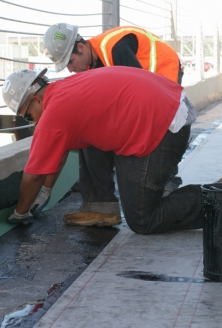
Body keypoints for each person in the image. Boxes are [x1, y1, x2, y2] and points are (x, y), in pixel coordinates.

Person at [1, 66, 222, 232]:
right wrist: (46, 190)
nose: (32, 122)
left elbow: (32, 174)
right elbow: (56, 153)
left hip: (164, 128)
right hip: (167, 108)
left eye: (27, 116)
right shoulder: (66, 90)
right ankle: (102, 209)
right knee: (88, 140)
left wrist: (20, 213)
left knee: (143, 219)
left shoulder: (54, 113)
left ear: (34, 99)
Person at [37, 23, 186, 226]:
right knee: (88, 129)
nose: (71, 70)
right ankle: (100, 207)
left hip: (163, 81)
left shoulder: (116, 48)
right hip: (154, 94)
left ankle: (168, 180)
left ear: (81, 48)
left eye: (71, 62)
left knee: (157, 133)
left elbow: (137, 91)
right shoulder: (94, 62)